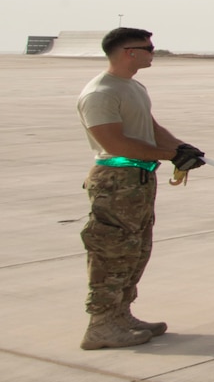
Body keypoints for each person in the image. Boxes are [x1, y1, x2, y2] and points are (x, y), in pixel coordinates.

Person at [75, 28, 204, 350]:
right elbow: (115, 143)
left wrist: (181, 147)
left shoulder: (132, 87)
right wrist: (171, 155)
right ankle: (100, 324)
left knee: (135, 251)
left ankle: (120, 314)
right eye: (148, 47)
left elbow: (150, 128)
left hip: (139, 180)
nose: (153, 51)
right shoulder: (100, 93)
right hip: (116, 182)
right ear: (128, 52)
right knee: (112, 253)